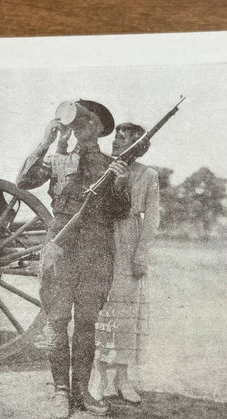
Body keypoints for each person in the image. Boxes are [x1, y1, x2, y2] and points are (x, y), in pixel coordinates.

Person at [16, 100, 131, 419]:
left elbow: (120, 212)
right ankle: (61, 392)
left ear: (98, 129)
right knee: (56, 322)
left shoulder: (113, 165)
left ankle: (82, 391)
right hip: (60, 247)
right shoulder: (56, 159)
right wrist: (45, 141)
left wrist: (121, 183)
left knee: (86, 324)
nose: (80, 127)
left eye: (86, 122)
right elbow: (23, 180)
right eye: (76, 122)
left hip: (96, 247)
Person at [91, 123, 160, 404]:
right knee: (99, 311)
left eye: (123, 138)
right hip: (101, 240)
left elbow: (152, 218)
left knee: (125, 317)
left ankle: (122, 378)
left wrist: (140, 255)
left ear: (137, 144)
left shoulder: (148, 174)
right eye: (115, 137)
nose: (116, 142)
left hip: (128, 242)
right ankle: (99, 378)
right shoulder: (101, 167)